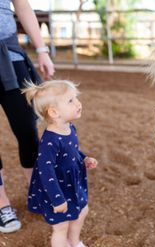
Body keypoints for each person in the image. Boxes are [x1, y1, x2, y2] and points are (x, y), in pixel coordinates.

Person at [0, 0, 54, 232]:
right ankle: (2, 205)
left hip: (10, 56)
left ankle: (37, 192)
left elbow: (21, 5)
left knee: (27, 128)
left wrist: (42, 49)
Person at [22, 80, 98, 247]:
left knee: (82, 211)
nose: (78, 103)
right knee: (61, 226)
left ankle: (74, 242)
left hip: (72, 183)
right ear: (54, 112)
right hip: (56, 189)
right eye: (70, 101)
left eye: (76, 98)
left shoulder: (70, 127)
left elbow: (73, 151)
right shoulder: (49, 141)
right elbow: (45, 171)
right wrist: (57, 199)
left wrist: (84, 158)